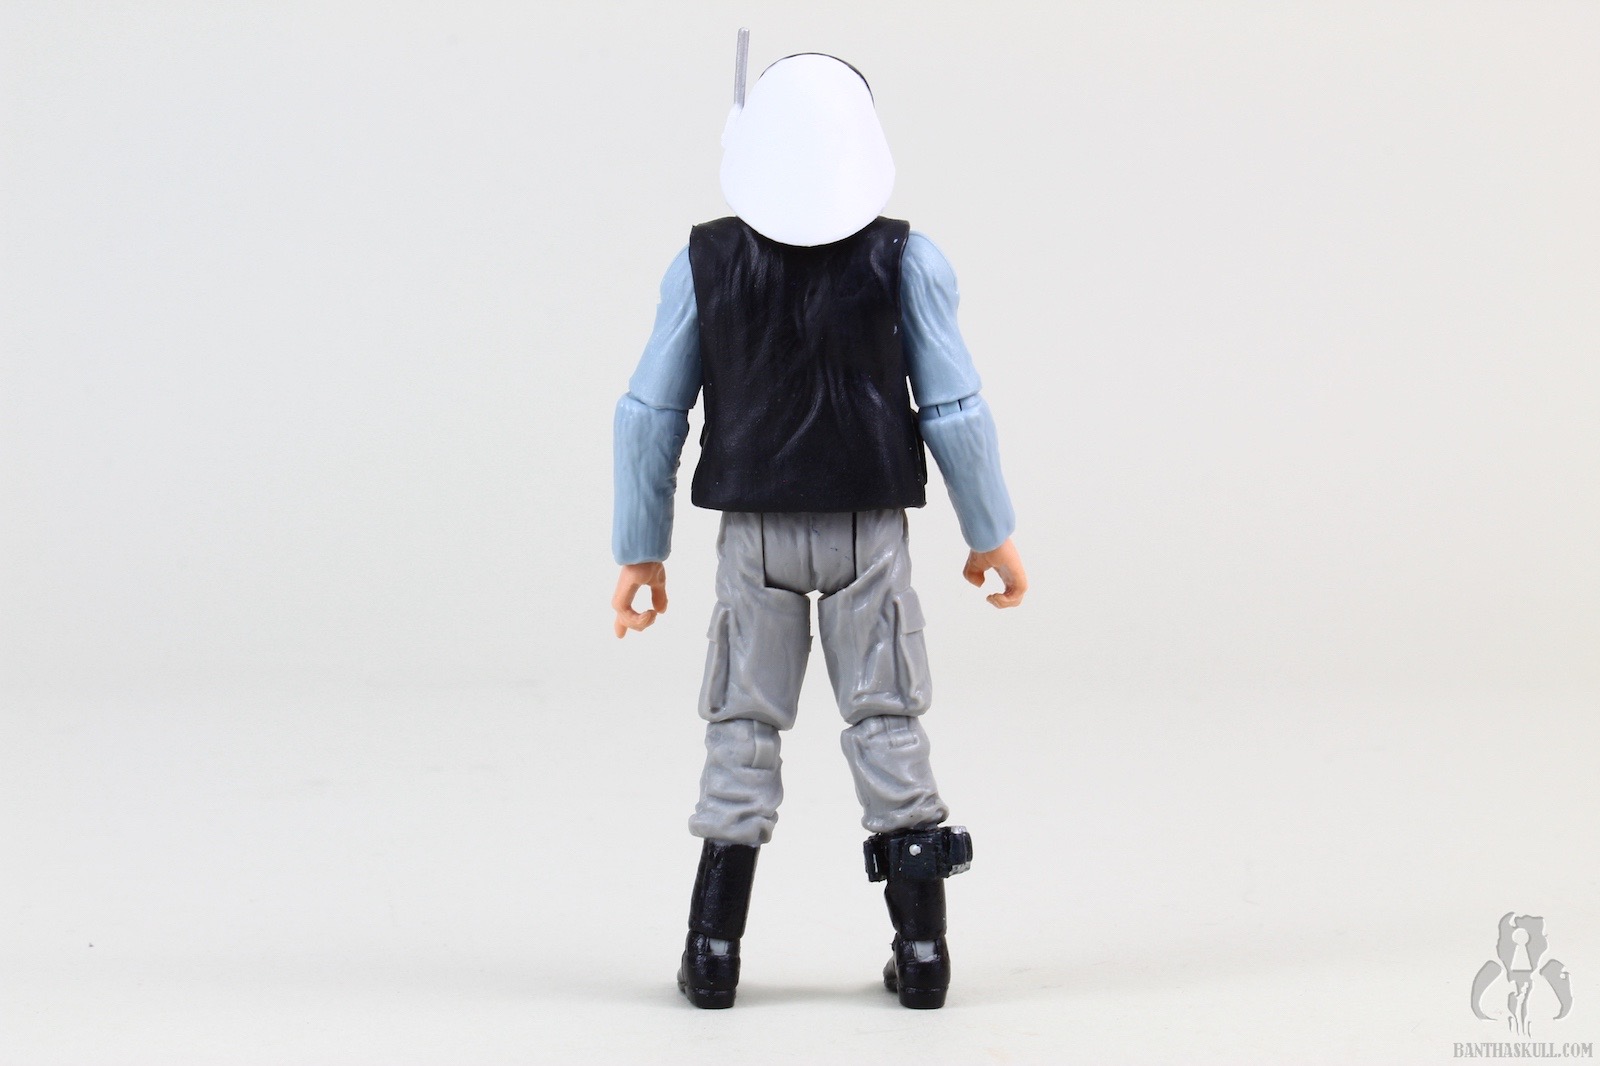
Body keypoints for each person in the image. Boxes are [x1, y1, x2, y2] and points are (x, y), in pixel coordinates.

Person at [610, 44, 1027, 1010]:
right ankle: (923, 952)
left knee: (741, 726)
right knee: (887, 720)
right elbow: (954, 408)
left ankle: (712, 951)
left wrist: (642, 549)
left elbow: (648, 415)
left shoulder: (703, 263)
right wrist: (990, 530)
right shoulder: (908, 259)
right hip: (866, 531)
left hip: (753, 536)